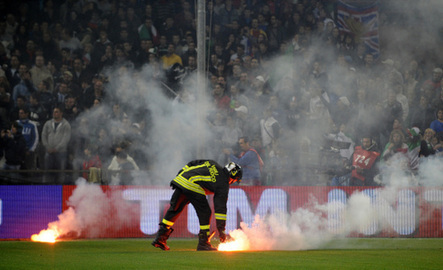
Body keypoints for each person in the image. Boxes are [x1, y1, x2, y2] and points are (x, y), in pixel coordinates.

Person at [152, 161, 242, 251]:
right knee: (205, 212)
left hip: (181, 179)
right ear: (233, 176)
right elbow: (220, 209)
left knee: (175, 209)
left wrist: (182, 172)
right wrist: (221, 230)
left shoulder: (212, 163)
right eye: (234, 180)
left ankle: (160, 238)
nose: (232, 182)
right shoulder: (223, 183)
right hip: (193, 184)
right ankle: (204, 243)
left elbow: (192, 163)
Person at [41, 106, 72, 184]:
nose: (54, 113)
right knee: (47, 171)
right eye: (54, 112)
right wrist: (47, 147)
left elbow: (66, 139)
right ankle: (46, 188)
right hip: (49, 152)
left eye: (57, 112)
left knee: (60, 172)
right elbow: (43, 135)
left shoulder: (66, 124)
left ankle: (60, 189)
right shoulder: (48, 123)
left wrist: (57, 148)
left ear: (61, 113)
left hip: (61, 152)